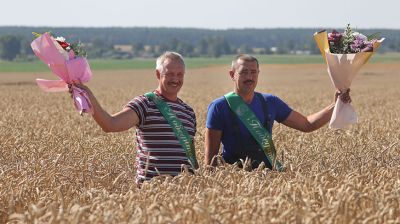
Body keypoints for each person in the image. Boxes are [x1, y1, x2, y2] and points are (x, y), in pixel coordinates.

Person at [204, 54, 351, 170]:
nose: (249, 77)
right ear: (232, 74)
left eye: (253, 72)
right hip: (233, 180)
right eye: (244, 72)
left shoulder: (270, 102)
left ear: (258, 73)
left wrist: (335, 104)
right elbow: (210, 161)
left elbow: (306, 124)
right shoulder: (219, 107)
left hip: (269, 176)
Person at [72, 51, 198, 186]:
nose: (175, 79)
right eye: (170, 74)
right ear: (158, 74)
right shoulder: (145, 104)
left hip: (184, 193)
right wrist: (88, 96)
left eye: (179, 74)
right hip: (150, 193)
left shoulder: (188, 112)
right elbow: (111, 124)